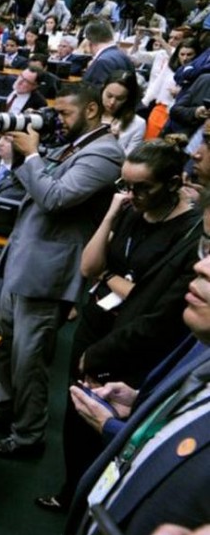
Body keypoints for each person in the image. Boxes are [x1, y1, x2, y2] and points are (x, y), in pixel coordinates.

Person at [30, 232, 210, 535]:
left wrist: (113, 430)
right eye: (208, 248)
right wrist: (142, 403)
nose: (201, 266)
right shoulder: (202, 348)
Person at [35, 137, 200, 512]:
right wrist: (111, 215)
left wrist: (111, 278)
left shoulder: (186, 234)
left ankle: (96, 501)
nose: (132, 194)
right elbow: (89, 267)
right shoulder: (128, 210)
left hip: (130, 341)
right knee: (77, 417)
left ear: (173, 183)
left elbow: (149, 302)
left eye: (143, 187)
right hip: (95, 322)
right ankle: (71, 489)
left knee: (111, 422)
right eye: (126, 185)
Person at [0, 84, 125, 457]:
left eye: (67, 114)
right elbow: (31, 186)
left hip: (49, 271)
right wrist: (23, 157)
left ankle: (27, 435)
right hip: (24, 257)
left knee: (29, 360)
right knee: (6, 348)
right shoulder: (74, 145)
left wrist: (33, 155)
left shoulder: (105, 154)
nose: (59, 120)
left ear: (93, 110)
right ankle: (1, 409)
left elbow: (54, 198)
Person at [99, 70, 146, 155]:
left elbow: (128, 160)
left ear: (128, 99)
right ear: (102, 89)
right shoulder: (87, 110)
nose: (112, 102)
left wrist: (115, 143)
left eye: (119, 99)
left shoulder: (137, 124)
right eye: (109, 96)